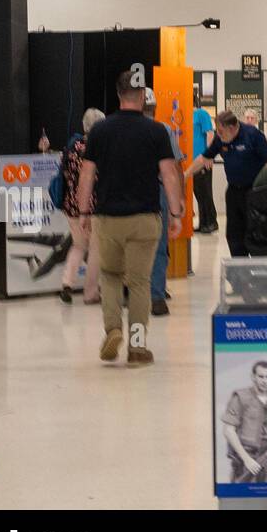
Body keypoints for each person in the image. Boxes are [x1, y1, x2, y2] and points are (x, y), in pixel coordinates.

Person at [75, 69, 186, 367]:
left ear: (119, 94)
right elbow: (169, 174)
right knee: (139, 282)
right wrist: (176, 213)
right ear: (142, 96)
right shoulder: (156, 131)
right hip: (145, 217)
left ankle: (113, 328)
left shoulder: (100, 130)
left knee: (110, 277)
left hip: (108, 218)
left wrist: (83, 211)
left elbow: (86, 175)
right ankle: (137, 346)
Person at [185, 110, 267, 258]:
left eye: (220, 131)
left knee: (255, 234)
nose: (218, 135)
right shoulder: (221, 139)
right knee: (234, 235)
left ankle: (258, 267)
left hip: (254, 191)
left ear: (231, 128)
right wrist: (185, 175)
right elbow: (204, 158)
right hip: (233, 191)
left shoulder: (253, 135)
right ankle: (239, 267)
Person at [59, 107, 104, 305]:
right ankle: (91, 291)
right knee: (96, 249)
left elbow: (65, 173)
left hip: (71, 205)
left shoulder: (71, 146)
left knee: (78, 246)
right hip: (93, 207)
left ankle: (67, 284)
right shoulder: (99, 148)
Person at [145, 89, 183, 318]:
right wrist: (177, 201)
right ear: (155, 108)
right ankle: (157, 297)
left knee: (131, 244)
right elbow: (174, 168)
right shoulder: (164, 130)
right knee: (158, 245)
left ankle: (133, 293)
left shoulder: (121, 129)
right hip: (157, 190)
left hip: (128, 191)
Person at [191, 95, 217, 233]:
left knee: (206, 192)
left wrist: (209, 155)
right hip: (192, 162)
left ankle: (212, 222)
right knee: (198, 193)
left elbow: (210, 133)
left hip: (202, 159)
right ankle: (203, 223)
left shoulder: (201, 113)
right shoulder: (186, 115)